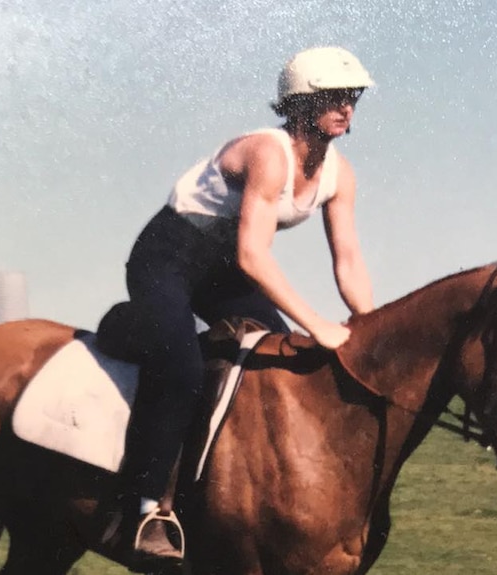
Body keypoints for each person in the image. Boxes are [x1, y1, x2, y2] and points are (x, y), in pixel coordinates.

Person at [109, 46, 376, 565]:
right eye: (335, 98)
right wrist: (317, 323)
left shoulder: (340, 175)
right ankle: (146, 509)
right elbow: (254, 256)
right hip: (166, 257)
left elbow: (348, 261)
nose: (347, 108)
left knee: (282, 366)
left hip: (222, 272)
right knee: (183, 365)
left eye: (353, 98)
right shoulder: (268, 154)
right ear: (301, 104)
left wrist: (367, 327)